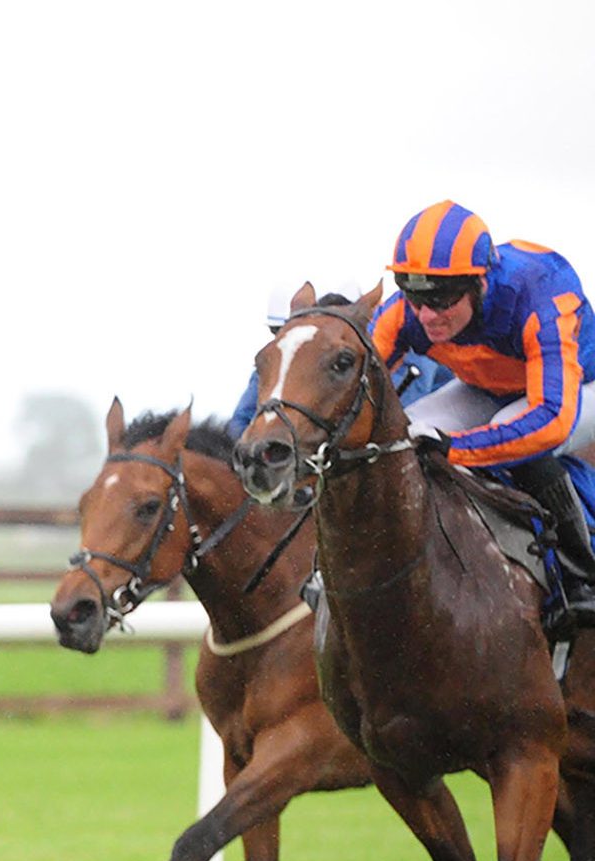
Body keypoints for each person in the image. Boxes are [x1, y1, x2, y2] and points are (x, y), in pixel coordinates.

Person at [369, 200, 595, 625]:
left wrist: (456, 448)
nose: (427, 314)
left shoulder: (542, 290)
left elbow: (551, 419)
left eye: (442, 298)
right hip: (487, 386)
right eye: (413, 293)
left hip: (578, 387)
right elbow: (354, 378)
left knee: (507, 437)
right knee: (406, 436)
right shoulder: (404, 313)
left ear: (481, 282)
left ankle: (583, 575)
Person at [227, 284, 450, 439]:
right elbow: (239, 422)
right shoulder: (276, 363)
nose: (283, 336)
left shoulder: (408, 345)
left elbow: (401, 415)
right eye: (277, 331)